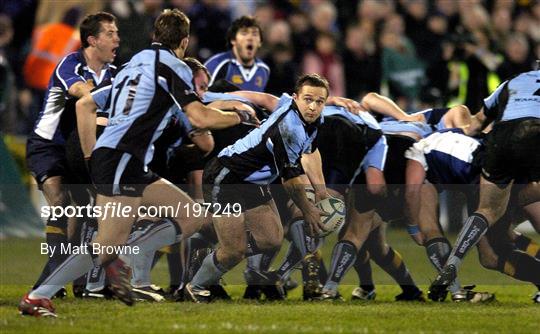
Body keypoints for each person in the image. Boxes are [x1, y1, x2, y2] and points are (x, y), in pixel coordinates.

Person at [19, 9, 256, 317]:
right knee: (107, 245)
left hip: (121, 159)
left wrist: (93, 157)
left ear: (154, 36)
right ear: (184, 41)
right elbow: (199, 115)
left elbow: (87, 105)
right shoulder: (173, 67)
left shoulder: (134, 65)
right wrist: (237, 116)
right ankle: (40, 295)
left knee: (191, 216)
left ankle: (120, 259)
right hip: (122, 158)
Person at [184, 74, 331, 302]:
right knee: (234, 250)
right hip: (227, 178)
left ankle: (214, 251)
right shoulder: (288, 128)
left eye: (319, 102)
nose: (313, 106)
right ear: (295, 98)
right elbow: (290, 181)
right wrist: (309, 210)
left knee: (271, 238)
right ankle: (196, 286)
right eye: (308, 99)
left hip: (253, 183)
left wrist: (320, 190)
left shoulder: (312, 121)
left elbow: (310, 151)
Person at [25, 11, 119, 294]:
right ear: (92, 40)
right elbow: (81, 92)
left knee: (85, 212)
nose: (118, 38)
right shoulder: (71, 64)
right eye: (111, 33)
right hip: (48, 144)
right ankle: (51, 278)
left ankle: (77, 281)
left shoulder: (116, 73)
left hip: (80, 147)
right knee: (60, 202)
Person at [428, 70, 540, 303]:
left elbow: (478, 122)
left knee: (488, 212)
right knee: (502, 234)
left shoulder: (515, 81)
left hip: (500, 140)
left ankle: (451, 266)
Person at [204, 16, 270, 92]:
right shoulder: (217, 64)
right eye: (244, 33)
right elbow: (202, 96)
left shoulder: (264, 70)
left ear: (260, 43)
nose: (250, 38)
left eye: (254, 34)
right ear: (233, 40)